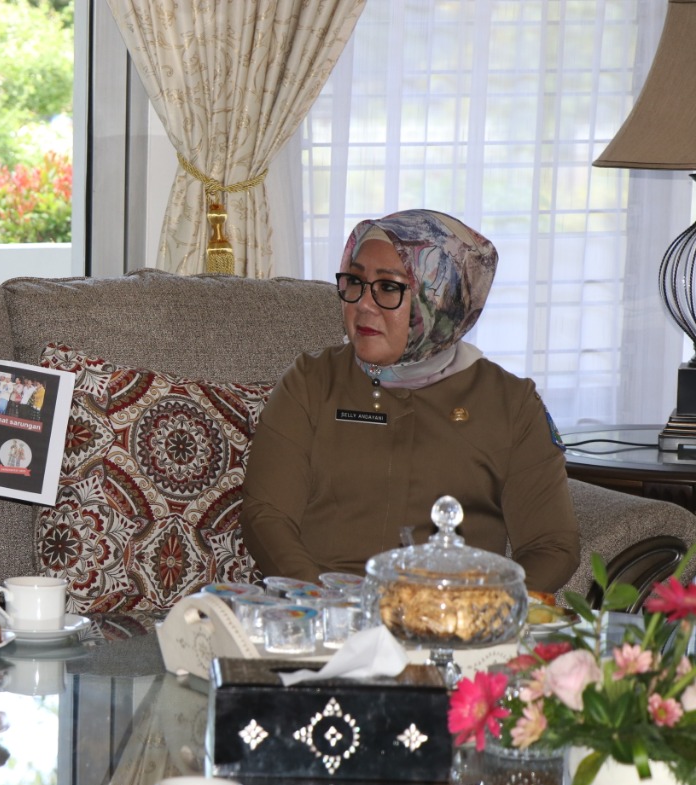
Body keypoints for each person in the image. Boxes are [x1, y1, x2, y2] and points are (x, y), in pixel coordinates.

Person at [240, 209, 578, 593]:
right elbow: (266, 516)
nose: (363, 304)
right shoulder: (312, 381)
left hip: (451, 614)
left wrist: (483, 610)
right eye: (355, 281)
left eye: (388, 287)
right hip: (322, 609)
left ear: (441, 298)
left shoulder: (510, 404)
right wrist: (317, 600)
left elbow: (552, 545)